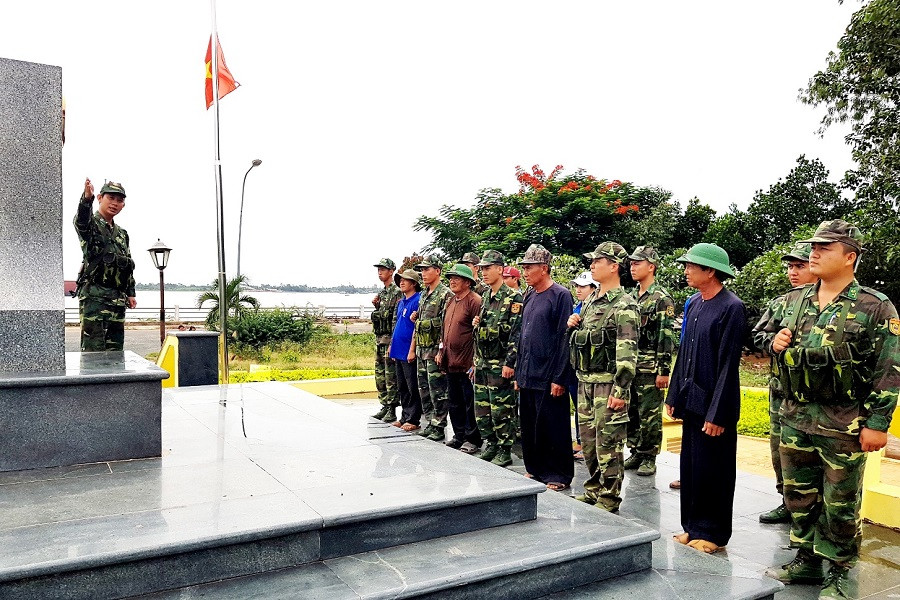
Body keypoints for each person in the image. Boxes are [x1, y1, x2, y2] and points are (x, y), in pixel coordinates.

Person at [760, 221, 898, 599]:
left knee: (840, 503)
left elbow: (889, 368)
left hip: (844, 422)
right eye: (813, 248)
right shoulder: (793, 301)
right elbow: (762, 341)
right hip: (794, 416)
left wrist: (877, 424)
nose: (814, 253)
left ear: (850, 257)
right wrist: (774, 344)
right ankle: (807, 559)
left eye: (825, 248)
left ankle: (838, 570)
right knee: (799, 496)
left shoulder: (875, 305)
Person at [665, 243, 745, 554]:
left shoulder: (731, 307)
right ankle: (692, 526)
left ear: (710, 271)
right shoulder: (693, 303)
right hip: (692, 399)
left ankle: (714, 533)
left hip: (715, 404)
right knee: (692, 467)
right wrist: (674, 394)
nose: (686, 271)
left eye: (691, 266)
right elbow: (684, 350)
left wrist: (718, 414)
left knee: (716, 470)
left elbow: (728, 364)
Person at [568, 242, 639, 512]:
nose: (592, 264)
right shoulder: (589, 302)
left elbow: (627, 351)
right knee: (588, 443)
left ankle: (609, 497)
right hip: (585, 381)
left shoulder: (624, 305)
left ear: (614, 266)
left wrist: (620, 392)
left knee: (608, 444)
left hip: (608, 384)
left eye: (598, 260)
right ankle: (594, 488)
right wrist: (572, 326)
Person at [752, 242, 818, 525]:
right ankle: (788, 501)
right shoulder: (782, 302)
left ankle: (819, 512)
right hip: (782, 392)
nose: (793, 272)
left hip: (822, 396)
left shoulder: (836, 305)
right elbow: (757, 336)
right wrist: (772, 341)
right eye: (790, 266)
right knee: (781, 449)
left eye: (800, 266)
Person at [515, 244, 575, 491]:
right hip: (528, 373)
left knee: (553, 426)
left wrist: (560, 377)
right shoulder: (529, 295)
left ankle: (558, 474)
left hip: (549, 374)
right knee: (530, 426)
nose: (525, 272)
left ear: (544, 268)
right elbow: (522, 336)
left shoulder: (560, 296)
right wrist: (519, 372)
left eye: (529, 268)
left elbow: (565, 339)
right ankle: (535, 468)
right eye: (524, 268)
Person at [624, 246, 675, 477]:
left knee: (650, 414)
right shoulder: (631, 296)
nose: (632, 267)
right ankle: (635, 449)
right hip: (630, 366)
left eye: (638, 263)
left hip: (650, 367)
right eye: (632, 263)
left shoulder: (661, 298)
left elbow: (666, 337)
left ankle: (649, 455)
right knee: (632, 411)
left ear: (651, 266)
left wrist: (664, 370)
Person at [472, 250, 523, 466]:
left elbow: (516, 334)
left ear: (500, 269)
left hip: (500, 363)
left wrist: (510, 364)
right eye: (482, 268)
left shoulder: (513, 298)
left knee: (501, 410)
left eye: (487, 268)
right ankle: (490, 443)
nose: (483, 272)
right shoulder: (485, 297)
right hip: (483, 363)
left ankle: (504, 448)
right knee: (482, 410)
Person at [74, 178, 136, 352]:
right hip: (95, 297)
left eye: (119, 200)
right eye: (111, 198)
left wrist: (130, 293)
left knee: (115, 352)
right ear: (100, 198)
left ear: (123, 205)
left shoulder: (122, 234)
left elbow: (127, 264)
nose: (115, 203)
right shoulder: (91, 226)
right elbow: (81, 221)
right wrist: (87, 199)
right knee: (93, 351)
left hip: (117, 299)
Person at [439, 264, 483, 453]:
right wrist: (441, 351)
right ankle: (458, 435)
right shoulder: (450, 301)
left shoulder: (474, 301)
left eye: (457, 278)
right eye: (451, 278)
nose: (452, 281)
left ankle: (472, 439)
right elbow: (444, 329)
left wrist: (475, 361)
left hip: (467, 363)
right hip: (450, 361)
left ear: (467, 282)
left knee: (469, 402)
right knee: (454, 401)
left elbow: (479, 332)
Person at [411, 255, 452, 441]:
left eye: (427, 269)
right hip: (421, 349)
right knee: (424, 389)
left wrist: (441, 351)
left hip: (435, 351)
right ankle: (429, 421)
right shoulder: (424, 295)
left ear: (438, 271)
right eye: (422, 270)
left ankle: (439, 425)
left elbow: (447, 326)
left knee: (438, 390)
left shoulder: (445, 294)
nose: (423, 273)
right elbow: (421, 321)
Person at [569, 271, 599, 459]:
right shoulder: (576, 308)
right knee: (579, 405)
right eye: (577, 286)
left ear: (593, 289)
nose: (578, 290)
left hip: (592, 367)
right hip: (575, 364)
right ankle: (581, 440)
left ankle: (589, 444)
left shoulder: (596, 310)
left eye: (583, 286)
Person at [390, 269, 423, 431]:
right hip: (398, 348)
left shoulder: (418, 300)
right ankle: (404, 416)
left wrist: (412, 349)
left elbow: (416, 328)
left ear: (414, 283)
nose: (402, 282)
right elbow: (398, 325)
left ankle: (413, 418)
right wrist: (391, 345)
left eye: (406, 280)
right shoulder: (402, 301)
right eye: (400, 280)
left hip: (408, 350)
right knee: (402, 385)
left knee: (412, 386)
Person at [370, 258, 401, 422]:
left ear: (391, 271)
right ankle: (384, 404)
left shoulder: (397, 292)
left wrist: (394, 343)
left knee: (390, 376)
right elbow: (381, 317)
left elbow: (395, 319)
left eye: (383, 269)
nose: (380, 272)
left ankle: (392, 408)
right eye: (379, 269)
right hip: (379, 339)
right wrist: (376, 307)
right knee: (380, 374)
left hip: (389, 340)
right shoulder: (381, 294)